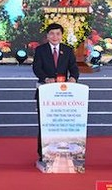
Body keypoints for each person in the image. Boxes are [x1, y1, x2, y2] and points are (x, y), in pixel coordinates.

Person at [32, 23, 78, 162]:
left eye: (58, 34)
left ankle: (63, 151)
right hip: (46, 91)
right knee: (45, 123)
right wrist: (46, 78)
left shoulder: (67, 50)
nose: (55, 36)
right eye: (52, 34)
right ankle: (43, 154)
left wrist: (73, 78)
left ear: (61, 35)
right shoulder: (40, 50)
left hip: (64, 93)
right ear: (47, 36)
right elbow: (37, 68)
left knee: (62, 123)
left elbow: (74, 68)